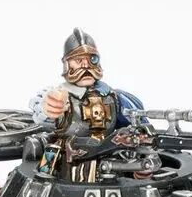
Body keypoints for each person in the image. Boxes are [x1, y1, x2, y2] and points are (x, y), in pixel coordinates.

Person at [29, 28, 143, 182]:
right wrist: (49, 107)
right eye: (78, 60)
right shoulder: (60, 94)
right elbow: (41, 108)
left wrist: (141, 165)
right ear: (67, 64)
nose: (86, 66)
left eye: (91, 59)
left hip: (107, 163)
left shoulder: (114, 97)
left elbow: (137, 128)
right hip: (65, 163)